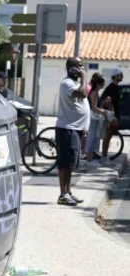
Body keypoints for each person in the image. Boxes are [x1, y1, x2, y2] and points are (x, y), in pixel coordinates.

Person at [55, 57, 90, 206]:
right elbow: (83, 94)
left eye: (82, 66)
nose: (82, 69)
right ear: (71, 68)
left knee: (71, 164)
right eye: (79, 66)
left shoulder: (75, 83)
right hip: (67, 128)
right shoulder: (67, 84)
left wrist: (84, 128)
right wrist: (84, 76)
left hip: (76, 128)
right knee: (65, 163)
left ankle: (68, 192)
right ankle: (63, 194)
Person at [84, 73, 110, 166]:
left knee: (94, 137)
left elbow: (96, 105)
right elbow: (94, 107)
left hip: (94, 118)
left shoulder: (95, 92)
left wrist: (102, 104)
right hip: (92, 118)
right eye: (103, 83)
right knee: (91, 137)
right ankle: (88, 159)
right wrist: (103, 112)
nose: (104, 85)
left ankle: (91, 158)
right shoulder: (94, 93)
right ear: (99, 83)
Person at [100, 68, 124, 157]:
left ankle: (104, 156)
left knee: (109, 136)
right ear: (116, 76)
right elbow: (107, 102)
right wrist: (111, 117)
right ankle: (104, 156)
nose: (122, 76)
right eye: (121, 75)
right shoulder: (111, 88)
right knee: (107, 136)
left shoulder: (115, 87)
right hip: (110, 117)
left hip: (114, 115)